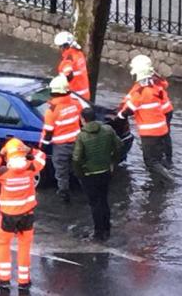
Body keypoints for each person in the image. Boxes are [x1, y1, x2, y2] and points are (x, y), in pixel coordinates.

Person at [0, 138, 47, 293]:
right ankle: (24, 281)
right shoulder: (31, 168)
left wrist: (0, 153)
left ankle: (4, 280)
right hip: (27, 215)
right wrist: (29, 150)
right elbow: (42, 156)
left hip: (8, 217)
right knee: (24, 246)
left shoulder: (4, 173)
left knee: (3, 245)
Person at [72, 107, 123, 241]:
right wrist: (113, 162)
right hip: (105, 171)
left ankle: (99, 233)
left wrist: (80, 173)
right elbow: (119, 145)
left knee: (95, 203)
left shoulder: (81, 136)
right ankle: (106, 229)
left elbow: (76, 158)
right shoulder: (108, 130)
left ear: (82, 119)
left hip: (89, 174)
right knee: (104, 200)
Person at [118, 61, 174, 182]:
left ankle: (169, 180)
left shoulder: (141, 92)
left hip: (150, 133)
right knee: (157, 158)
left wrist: (119, 115)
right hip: (162, 129)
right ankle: (160, 179)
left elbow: (129, 110)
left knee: (150, 161)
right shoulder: (154, 88)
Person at [40, 75, 82, 203]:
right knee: (78, 168)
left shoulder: (51, 111)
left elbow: (48, 133)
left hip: (61, 147)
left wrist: (42, 146)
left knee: (61, 172)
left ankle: (64, 195)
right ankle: (85, 189)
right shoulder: (76, 103)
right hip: (76, 143)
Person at [129, 55, 174, 168]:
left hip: (161, 112)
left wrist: (122, 110)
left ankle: (165, 161)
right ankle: (166, 160)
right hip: (165, 110)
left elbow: (136, 96)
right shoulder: (153, 77)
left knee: (162, 137)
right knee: (164, 136)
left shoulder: (146, 82)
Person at [53, 31, 90, 100]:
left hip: (75, 97)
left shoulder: (68, 59)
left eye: (59, 46)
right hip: (85, 95)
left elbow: (68, 75)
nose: (59, 49)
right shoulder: (79, 54)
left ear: (64, 46)